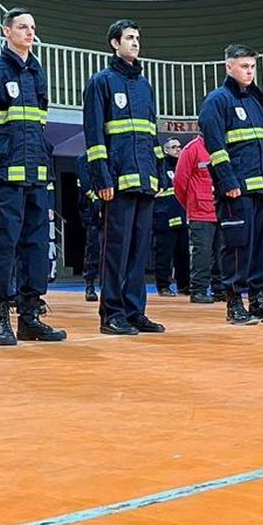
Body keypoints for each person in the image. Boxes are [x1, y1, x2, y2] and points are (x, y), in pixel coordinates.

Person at [0, 8, 65, 347]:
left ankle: (31, 315)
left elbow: (40, 122)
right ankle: (1, 316)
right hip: (4, 174)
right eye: (22, 26)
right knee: (5, 246)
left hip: (36, 174)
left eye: (33, 27)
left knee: (36, 245)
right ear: (6, 31)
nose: (29, 32)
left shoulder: (38, 74)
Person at [82, 20, 167, 336]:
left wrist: (159, 174)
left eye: (138, 38)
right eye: (129, 38)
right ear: (114, 44)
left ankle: (135, 312)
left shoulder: (144, 85)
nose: (135, 42)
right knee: (116, 250)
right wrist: (101, 179)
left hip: (145, 182)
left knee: (138, 251)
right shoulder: (100, 82)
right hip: (116, 184)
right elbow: (94, 135)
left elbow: (150, 132)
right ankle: (111, 314)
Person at [197, 44, 263, 325]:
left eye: (252, 67)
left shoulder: (258, 103)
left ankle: (259, 301)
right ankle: (234, 304)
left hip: (262, 189)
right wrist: (227, 181)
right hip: (236, 190)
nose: (249, 72)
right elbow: (214, 146)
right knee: (237, 247)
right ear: (229, 67)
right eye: (243, 66)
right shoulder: (217, 100)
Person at [172, 132, 218, 304]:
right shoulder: (191, 150)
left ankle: (220, 289)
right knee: (202, 253)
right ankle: (199, 290)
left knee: (222, 253)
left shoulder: (222, 146)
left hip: (220, 209)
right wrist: (192, 203)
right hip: (201, 211)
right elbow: (179, 183)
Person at [152, 137, 189, 296]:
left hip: (182, 215)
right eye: (174, 147)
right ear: (166, 150)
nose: (178, 149)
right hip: (164, 217)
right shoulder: (159, 167)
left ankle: (184, 285)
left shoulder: (183, 167)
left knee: (184, 253)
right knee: (164, 253)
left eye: (179, 146)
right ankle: (163, 286)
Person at [76, 151, 102, 303]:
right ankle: (90, 285)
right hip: (91, 209)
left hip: (110, 205)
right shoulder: (83, 159)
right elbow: (85, 184)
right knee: (93, 247)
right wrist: (97, 202)